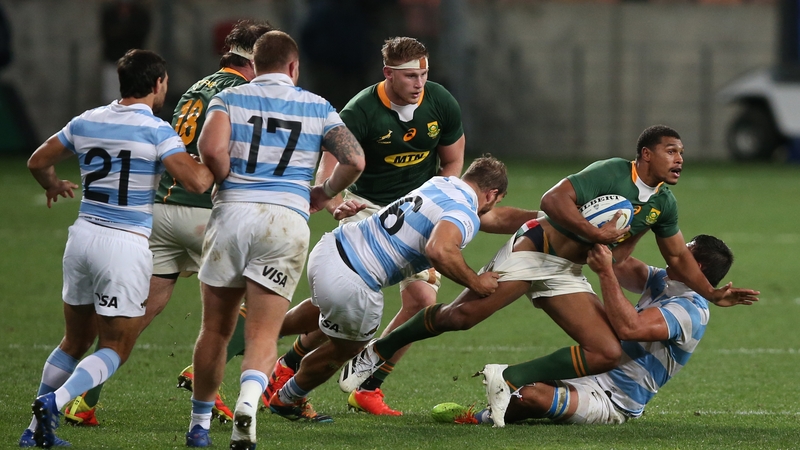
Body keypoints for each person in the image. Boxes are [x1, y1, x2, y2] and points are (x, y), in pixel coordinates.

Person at [338, 125, 759, 427]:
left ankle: (508, 379)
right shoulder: (613, 172)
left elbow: (679, 257)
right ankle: (376, 353)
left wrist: (712, 292)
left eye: (681, 152)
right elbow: (552, 200)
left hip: (566, 270)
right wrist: (598, 236)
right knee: (459, 318)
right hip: (536, 248)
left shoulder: (664, 204)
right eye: (671, 150)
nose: (679, 158)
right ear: (646, 155)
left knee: (606, 350)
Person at [62, 19, 274, 429]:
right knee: (260, 303)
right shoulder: (247, 93)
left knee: (134, 317)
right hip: (207, 215)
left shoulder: (196, 88)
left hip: (163, 211)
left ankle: (82, 400)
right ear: (257, 58)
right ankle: (201, 380)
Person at [265, 35, 468, 417]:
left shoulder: (441, 101)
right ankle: (288, 361)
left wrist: (440, 205)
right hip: (369, 208)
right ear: (388, 73)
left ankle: (368, 385)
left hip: (418, 210)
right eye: (410, 76)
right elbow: (332, 155)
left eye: (424, 73)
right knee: (344, 302)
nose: (419, 83)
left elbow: (454, 162)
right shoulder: (362, 109)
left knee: (422, 300)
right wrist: (337, 201)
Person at [20, 49, 214, 448]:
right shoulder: (157, 130)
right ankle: (54, 403)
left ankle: (35, 430)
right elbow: (195, 183)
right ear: (159, 84)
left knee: (72, 342)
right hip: (123, 245)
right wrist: (213, 160)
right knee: (115, 346)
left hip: (83, 237)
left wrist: (53, 185)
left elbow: (38, 161)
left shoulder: (86, 120)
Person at [185, 30, 365, 449]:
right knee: (263, 334)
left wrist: (231, 179)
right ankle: (248, 404)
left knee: (215, 329)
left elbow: (209, 148)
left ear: (254, 65)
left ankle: (199, 425)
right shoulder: (317, 106)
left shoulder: (230, 98)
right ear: (293, 67)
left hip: (232, 213)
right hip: (285, 219)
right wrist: (323, 191)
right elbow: (354, 158)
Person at [267, 155, 538, 423]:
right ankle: (288, 399)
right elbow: (439, 250)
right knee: (345, 348)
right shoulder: (463, 211)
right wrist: (476, 282)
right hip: (355, 280)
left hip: (331, 248)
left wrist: (543, 218)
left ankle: (256, 332)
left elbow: (495, 219)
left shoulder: (441, 184)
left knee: (322, 310)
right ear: (491, 194)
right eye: (495, 202)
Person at [431, 234, 736, 427]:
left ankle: (476, 418)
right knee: (530, 388)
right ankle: (506, 391)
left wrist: (604, 271)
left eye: (686, 252)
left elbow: (630, 327)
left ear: (700, 270)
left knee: (529, 398)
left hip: (614, 398)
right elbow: (621, 263)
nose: (676, 252)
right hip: (594, 366)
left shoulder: (691, 310)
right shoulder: (664, 281)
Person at [100, 0, 152, 103]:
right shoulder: (110, 14)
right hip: (113, 60)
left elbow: (140, 35)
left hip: (134, 63)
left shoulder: (141, 15)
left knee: (133, 97)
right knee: (112, 97)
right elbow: (108, 34)